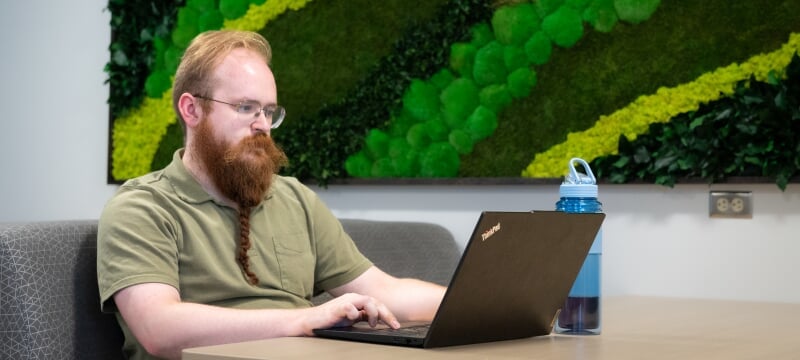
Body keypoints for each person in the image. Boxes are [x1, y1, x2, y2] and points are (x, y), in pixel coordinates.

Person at [97, 30, 446, 360]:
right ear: (192, 110)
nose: (262, 125)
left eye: (268, 111)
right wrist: (304, 320)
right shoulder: (142, 207)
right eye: (245, 107)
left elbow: (384, 292)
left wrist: (475, 303)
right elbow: (158, 329)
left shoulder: (294, 199)